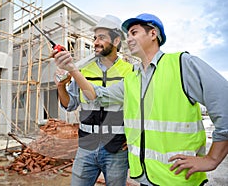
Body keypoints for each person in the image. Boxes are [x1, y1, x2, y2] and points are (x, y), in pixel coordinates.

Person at [53, 13, 228, 186]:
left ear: (153, 34)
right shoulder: (133, 78)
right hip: (144, 175)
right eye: (127, 35)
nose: (128, 39)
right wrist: (72, 70)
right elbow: (96, 95)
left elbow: (224, 104)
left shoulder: (181, 64)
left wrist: (212, 159)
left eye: (134, 33)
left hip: (177, 177)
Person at [54, 15, 133, 186]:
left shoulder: (130, 71)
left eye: (102, 37)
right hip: (86, 146)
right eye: (95, 38)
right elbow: (70, 105)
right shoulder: (82, 70)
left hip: (116, 148)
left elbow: (138, 109)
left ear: (117, 40)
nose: (96, 42)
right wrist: (61, 86)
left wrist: (133, 137)